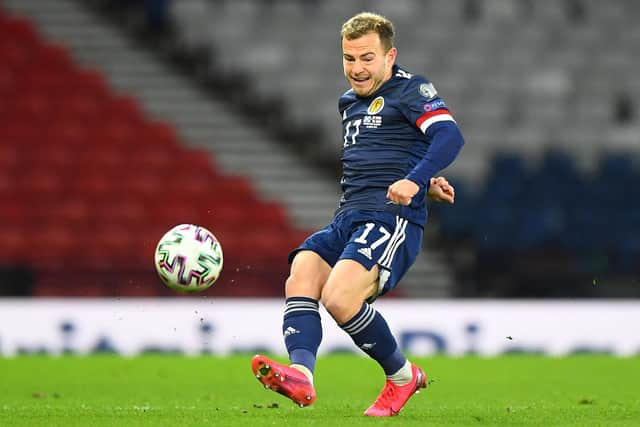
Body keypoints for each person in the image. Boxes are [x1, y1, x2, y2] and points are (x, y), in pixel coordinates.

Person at [251, 11, 464, 417]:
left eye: (367, 58)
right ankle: (301, 375)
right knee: (303, 272)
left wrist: (416, 181)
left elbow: (449, 135)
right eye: (349, 59)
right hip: (347, 215)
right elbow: (387, 153)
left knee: (338, 297)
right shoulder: (347, 102)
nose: (357, 69)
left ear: (390, 56)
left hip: (390, 218)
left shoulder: (411, 89)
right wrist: (425, 180)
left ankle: (402, 377)